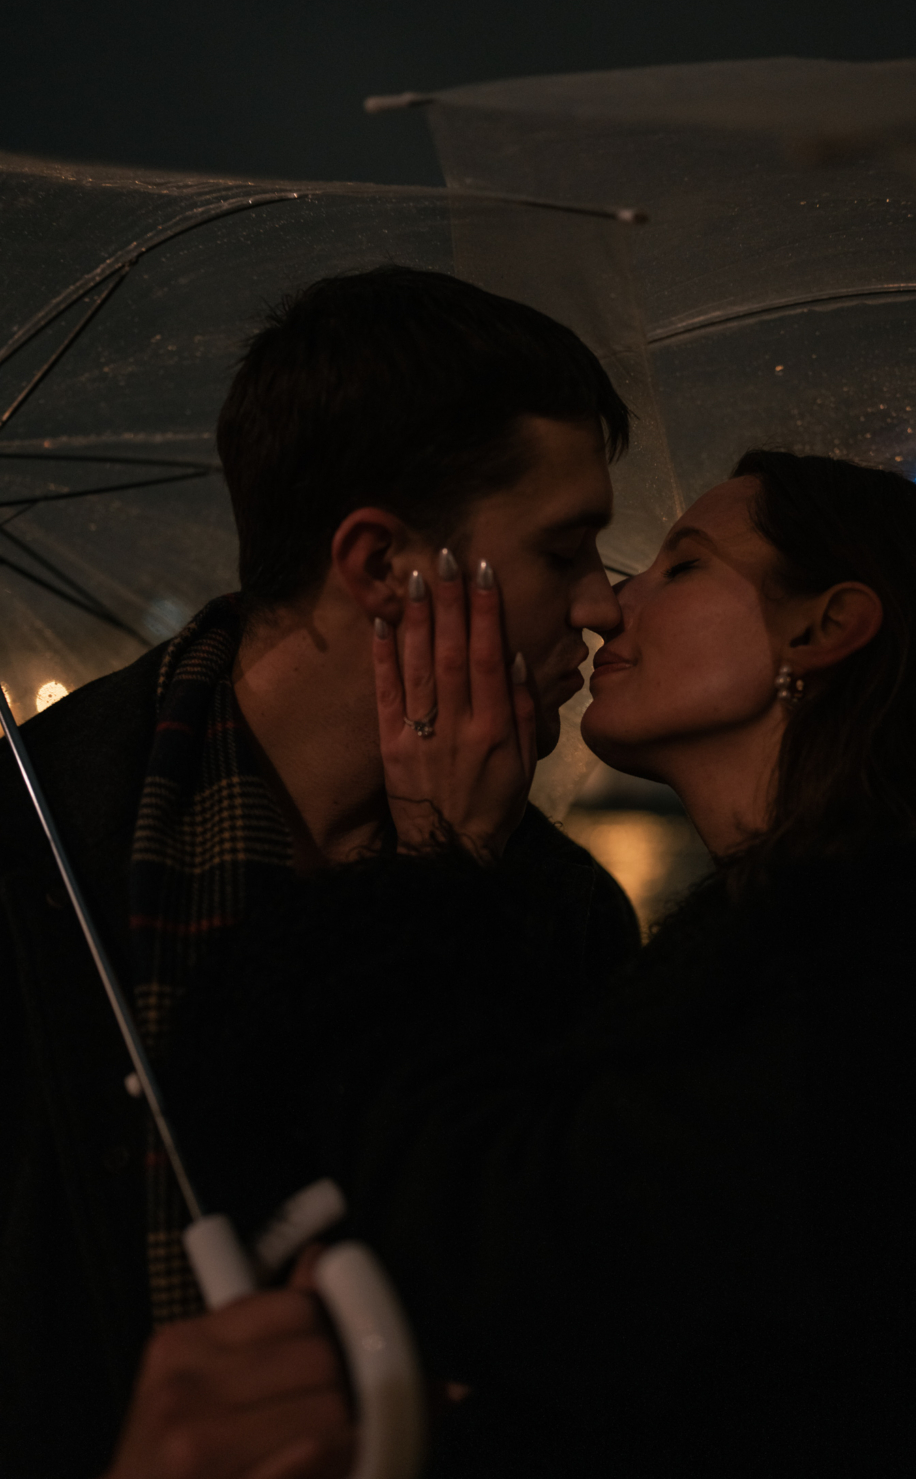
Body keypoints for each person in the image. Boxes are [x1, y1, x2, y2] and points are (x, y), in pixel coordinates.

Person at [193, 451, 916, 1476]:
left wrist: (437, 857)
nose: (611, 609)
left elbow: (532, 1267)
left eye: (683, 566)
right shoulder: (802, 942)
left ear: (823, 626)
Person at [0, 267, 642, 1478]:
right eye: (566, 550)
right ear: (378, 562)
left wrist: (456, 891)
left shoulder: (556, 914)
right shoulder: (40, 853)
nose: (606, 604)